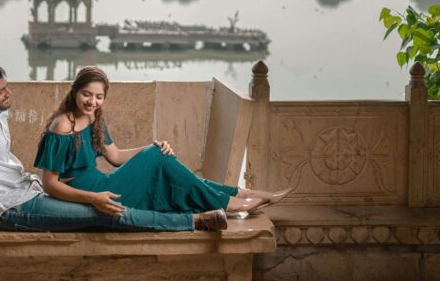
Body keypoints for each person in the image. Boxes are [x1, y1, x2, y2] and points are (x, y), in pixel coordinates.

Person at [0, 61, 229, 254]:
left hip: (26, 189)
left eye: (6, 87)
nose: (9, 94)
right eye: (1, 91)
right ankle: (195, 221)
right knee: (106, 214)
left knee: (113, 200)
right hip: (12, 209)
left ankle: (217, 201)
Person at [34, 66, 290, 220]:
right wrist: (93, 199)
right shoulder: (63, 125)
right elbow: (49, 184)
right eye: (86, 94)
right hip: (95, 192)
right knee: (159, 159)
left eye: (99, 97)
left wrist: (150, 147)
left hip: (103, 183)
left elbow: (115, 156)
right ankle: (229, 201)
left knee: (158, 154)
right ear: (75, 92)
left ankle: (240, 193)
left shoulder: (94, 118)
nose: (92, 101)